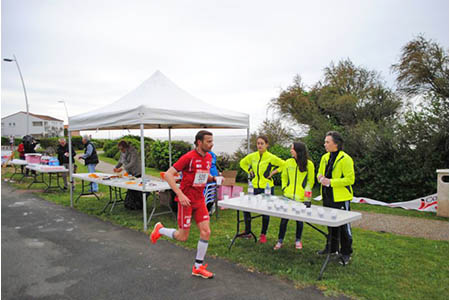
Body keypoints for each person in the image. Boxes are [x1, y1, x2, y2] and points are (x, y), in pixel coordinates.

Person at [150, 130, 217, 279]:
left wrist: (213, 179)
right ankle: (160, 230)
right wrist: (180, 194)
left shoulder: (208, 157)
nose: (212, 144)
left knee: (206, 232)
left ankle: (198, 267)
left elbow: (203, 176)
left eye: (212, 141)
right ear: (199, 142)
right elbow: (168, 175)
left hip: (199, 200)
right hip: (186, 200)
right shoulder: (188, 157)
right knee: (182, 237)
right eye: (208, 141)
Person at [317, 131, 355, 265]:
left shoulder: (346, 159)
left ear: (336, 144)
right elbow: (320, 173)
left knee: (344, 227)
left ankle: (346, 253)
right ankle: (332, 248)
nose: (325, 144)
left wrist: (331, 182)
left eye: (327, 142)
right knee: (330, 224)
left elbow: (350, 179)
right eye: (325, 141)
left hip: (341, 198)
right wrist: (320, 178)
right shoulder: (324, 157)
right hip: (327, 197)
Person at [239, 135, 285, 243]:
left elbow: (284, 165)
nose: (259, 145)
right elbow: (242, 163)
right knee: (246, 208)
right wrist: (249, 170)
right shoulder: (252, 156)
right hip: (254, 187)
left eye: (262, 143)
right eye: (258, 143)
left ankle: (263, 234)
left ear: (266, 145)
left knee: (265, 211)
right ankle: (247, 231)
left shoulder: (271, 157)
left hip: (267, 188)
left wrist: (274, 172)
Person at [273, 142, 315, 251]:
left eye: (292, 148)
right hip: (287, 197)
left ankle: (298, 240)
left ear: (298, 150)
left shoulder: (309, 164)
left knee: (299, 220)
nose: (290, 150)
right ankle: (280, 240)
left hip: (301, 198)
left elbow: (311, 181)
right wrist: (284, 188)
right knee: (284, 220)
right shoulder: (288, 162)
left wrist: (306, 195)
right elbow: (284, 177)